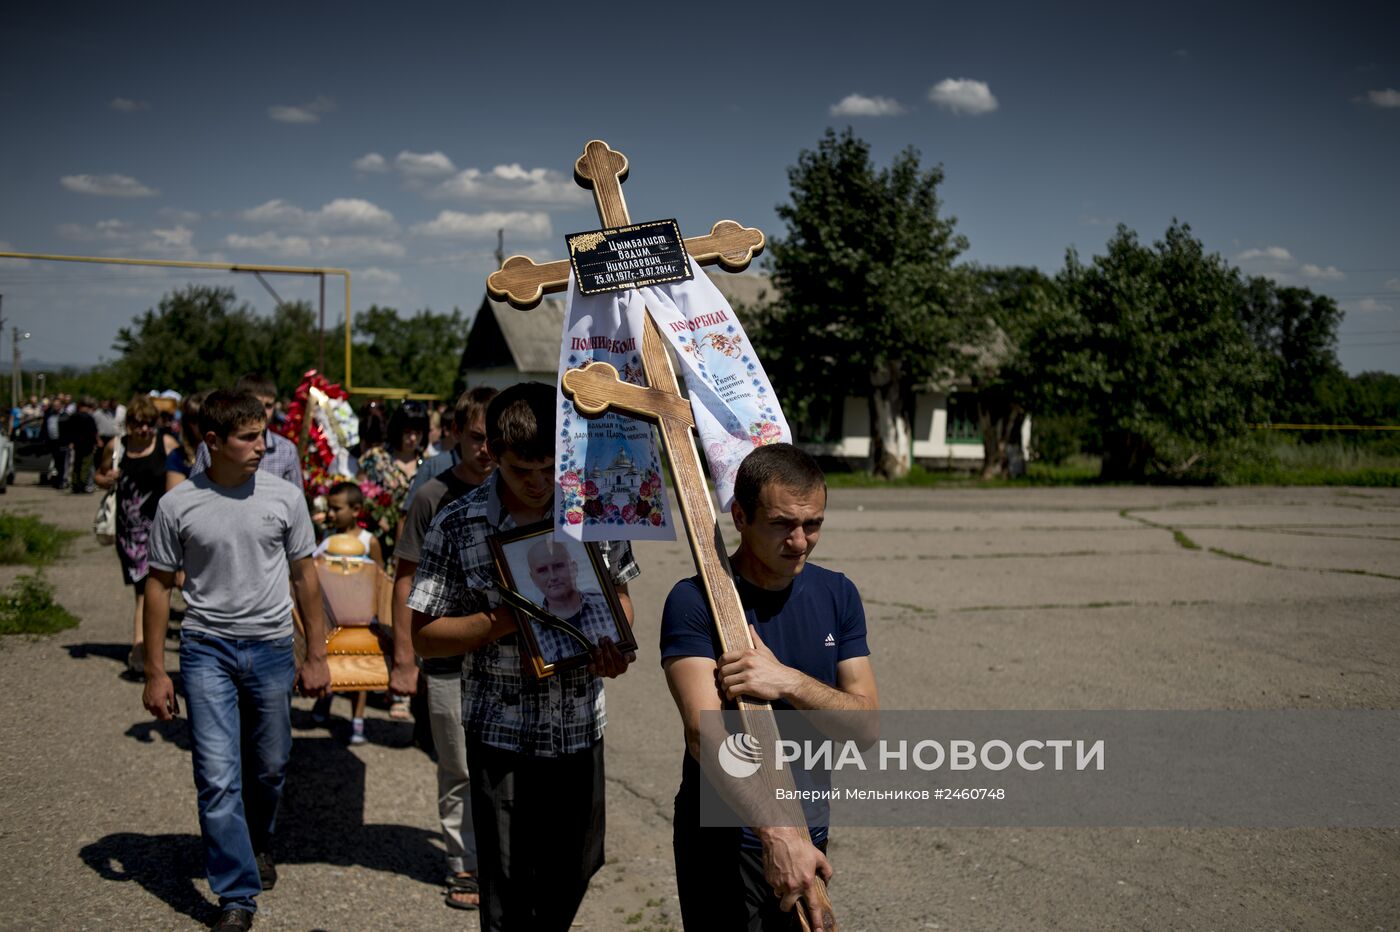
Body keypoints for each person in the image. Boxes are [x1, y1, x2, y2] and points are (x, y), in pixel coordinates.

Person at [408, 382, 639, 931]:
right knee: (509, 890)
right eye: (521, 471)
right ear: (493, 455)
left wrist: (613, 641)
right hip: (504, 737)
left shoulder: (592, 507)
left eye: (547, 469)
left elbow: (622, 596)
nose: (537, 485)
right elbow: (424, 634)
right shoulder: (458, 522)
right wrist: (503, 619)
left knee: (578, 865)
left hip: (580, 727)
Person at [660, 443, 879, 931]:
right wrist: (777, 835)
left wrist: (789, 682)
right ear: (740, 515)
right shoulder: (696, 601)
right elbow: (704, 737)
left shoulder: (837, 593)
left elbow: (865, 725)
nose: (800, 541)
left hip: (808, 829)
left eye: (814, 524)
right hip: (726, 838)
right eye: (782, 524)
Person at [141, 388, 330, 932]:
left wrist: (315, 654)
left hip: (272, 648)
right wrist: (156, 671)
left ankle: (257, 838)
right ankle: (236, 895)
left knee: (269, 766)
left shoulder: (283, 497)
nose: (261, 445)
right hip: (206, 651)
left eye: (262, 434)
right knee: (217, 776)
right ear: (213, 442)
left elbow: (305, 579)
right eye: (248, 437)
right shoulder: (178, 505)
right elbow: (158, 588)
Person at [390, 386, 495, 910]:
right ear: (456, 435)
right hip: (446, 657)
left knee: (502, 769)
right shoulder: (432, 495)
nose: (485, 448)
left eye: (493, 437)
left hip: (505, 662)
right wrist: (405, 659)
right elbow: (404, 578)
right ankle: (465, 864)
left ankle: (505, 857)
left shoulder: (520, 491)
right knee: (456, 766)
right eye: (476, 437)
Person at [96, 393, 180, 677]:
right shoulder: (117, 446)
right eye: (138, 424)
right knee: (143, 590)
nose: (144, 430)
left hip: (161, 530)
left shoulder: (167, 446)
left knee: (157, 588)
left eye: (149, 424)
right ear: (129, 423)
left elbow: (185, 474)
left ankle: (143, 647)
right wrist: (106, 479)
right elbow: (99, 474)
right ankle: (141, 648)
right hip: (130, 533)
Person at [309, 480, 383, 746]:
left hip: (361, 617)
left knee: (359, 669)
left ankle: (358, 719)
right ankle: (323, 700)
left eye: (336, 509)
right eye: (329, 508)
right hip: (332, 616)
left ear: (356, 510)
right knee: (329, 661)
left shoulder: (368, 541)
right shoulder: (327, 540)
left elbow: (378, 575)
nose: (330, 514)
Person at [191, 374, 301, 489]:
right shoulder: (213, 446)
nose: (263, 411)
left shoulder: (286, 450)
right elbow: (195, 490)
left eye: (269, 405)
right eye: (256, 404)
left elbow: (295, 499)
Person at [522, 539, 617, 667]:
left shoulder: (604, 606)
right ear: (533, 579)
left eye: (558, 566)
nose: (553, 576)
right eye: (542, 570)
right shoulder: (532, 628)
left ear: (574, 567)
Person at [358, 401, 428, 560]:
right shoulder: (375, 457)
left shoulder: (428, 464)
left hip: (413, 546)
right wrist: (376, 515)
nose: (412, 438)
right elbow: (358, 493)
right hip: (376, 542)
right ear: (397, 430)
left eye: (417, 433)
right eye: (407, 432)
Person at [166, 390, 209, 491]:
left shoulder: (225, 453)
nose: (200, 424)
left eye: (204, 418)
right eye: (194, 419)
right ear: (187, 423)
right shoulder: (178, 456)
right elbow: (174, 501)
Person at [65, 396, 101, 493]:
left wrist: (70, 442)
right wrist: (95, 443)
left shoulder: (74, 417)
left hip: (79, 445)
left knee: (77, 466)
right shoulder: (88, 418)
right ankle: (81, 485)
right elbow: (94, 432)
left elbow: (69, 432)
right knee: (84, 466)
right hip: (85, 446)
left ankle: (76, 485)